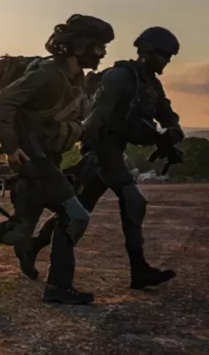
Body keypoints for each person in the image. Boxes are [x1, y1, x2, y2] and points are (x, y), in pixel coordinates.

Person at [0, 14, 116, 305]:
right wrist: (11, 147)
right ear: (81, 45)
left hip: (47, 159)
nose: (102, 53)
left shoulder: (74, 78)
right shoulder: (49, 74)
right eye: (99, 47)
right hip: (35, 160)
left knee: (20, 230)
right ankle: (58, 287)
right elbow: (6, 100)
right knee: (76, 215)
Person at [20, 27, 183, 290]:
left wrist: (173, 129)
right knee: (133, 201)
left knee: (80, 209)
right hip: (101, 150)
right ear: (148, 52)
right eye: (164, 55)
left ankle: (33, 246)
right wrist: (90, 153)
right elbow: (96, 119)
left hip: (114, 151)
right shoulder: (120, 78)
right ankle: (137, 269)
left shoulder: (151, 84)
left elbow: (166, 111)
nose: (167, 61)